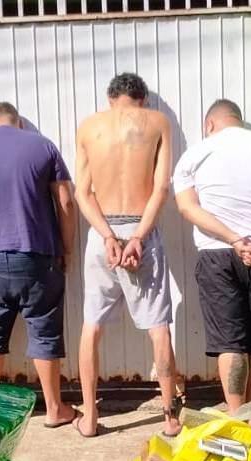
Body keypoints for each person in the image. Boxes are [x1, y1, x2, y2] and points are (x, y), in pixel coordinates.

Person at [172, 99, 251, 414]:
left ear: (210, 124)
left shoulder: (195, 154)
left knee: (230, 341)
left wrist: (234, 239)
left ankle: (234, 413)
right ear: (239, 120)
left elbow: (187, 207)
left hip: (219, 255)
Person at [74, 73, 181, 438]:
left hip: (101, 234)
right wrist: (137, 236)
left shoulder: (89, 127)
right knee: (157, 327)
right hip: (141, 229)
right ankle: (169, 418)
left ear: (111, 99)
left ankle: (89, 418)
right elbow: (162, 186)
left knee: (92, 325)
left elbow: (82, 193)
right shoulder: (158, 122)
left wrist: (108, 237)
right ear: (142, 99)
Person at [0, 101, 77, 427]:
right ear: (18, 123)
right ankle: (54, 409)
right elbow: (65, 200)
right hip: (37, 254)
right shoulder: (43, 147)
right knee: (44, 331)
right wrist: (67, 248)